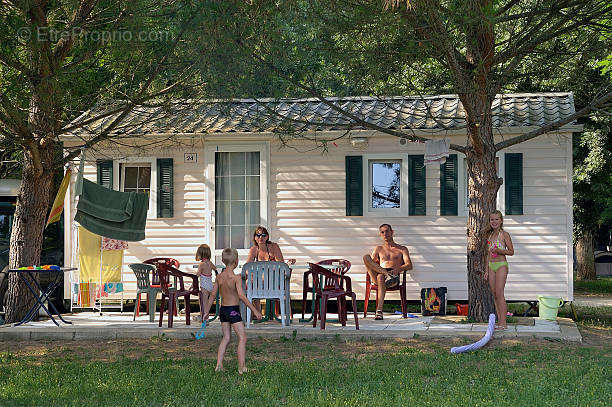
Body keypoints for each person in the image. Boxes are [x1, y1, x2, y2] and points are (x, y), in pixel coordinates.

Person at [203, 247, 262, 374]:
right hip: (233, 311)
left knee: (226, 337)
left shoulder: (219, 277)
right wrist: (255, 310)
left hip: (223, 311)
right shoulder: (236, 278)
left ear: (223, 261)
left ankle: (219, 365)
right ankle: (241, 367)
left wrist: (206, 311)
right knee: (242, 338)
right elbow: (241, 296)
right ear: (236, 262)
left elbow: (212, 295)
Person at [363, 224, 413, 320]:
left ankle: (379, 311)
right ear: (380, 234)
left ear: (392, 232)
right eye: (382, 232)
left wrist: (397, 269)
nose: (385, 234)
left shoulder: (402, 249)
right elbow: (371, 264)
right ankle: (386, 274)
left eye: (387, 231)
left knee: (381, 277)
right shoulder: (379, 248)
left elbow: (409, 265)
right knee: (366, 257)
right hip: (379, 273)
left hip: (393, 277)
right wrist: (383, 272)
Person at [245, 226, 295, 313]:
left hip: (273, 278)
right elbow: (247, 267)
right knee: (240, 281)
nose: (261, 237)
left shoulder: (274, 247)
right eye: (258, 235)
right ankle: (255, 311)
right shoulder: (254, 249)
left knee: (252, 281)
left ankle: (256, 312)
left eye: (263, 235)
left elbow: (281, 265)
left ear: (267, 237)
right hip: (258, 278)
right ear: (255, 237)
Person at [484, 210, 514, 330]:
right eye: (492, 219)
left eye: (497, 219)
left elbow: (511, 251)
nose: (494, 221)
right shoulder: (489, 235)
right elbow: (487, 254)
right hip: (491, 266)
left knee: (500, 293)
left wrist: (500, 251)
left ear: (501, 221)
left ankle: (503, 323)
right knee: (495, 294)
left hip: (501, 265)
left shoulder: (504, 234)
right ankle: (499, 322)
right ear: (489, 221)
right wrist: (486, 270)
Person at [195, 244, 217, 323]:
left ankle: (205, 318)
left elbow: (197, 275)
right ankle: (206, 317)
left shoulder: (201, 264)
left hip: (204, 285)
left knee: (204, 302)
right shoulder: (210, 263)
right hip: (210, 284)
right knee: (210, 301)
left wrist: (192, 285)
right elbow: (215, 269)